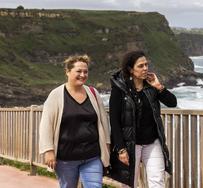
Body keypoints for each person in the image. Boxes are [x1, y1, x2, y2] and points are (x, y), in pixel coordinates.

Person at [39, 54, 110, 188]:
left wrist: (107, 146)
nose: (83, 75)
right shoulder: (56, 95)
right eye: (78, 71)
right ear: (68, 72)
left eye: (85, 71)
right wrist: (49, 151)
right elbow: (46, 125)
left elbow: (103, 122)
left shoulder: (93, 93)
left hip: (92, 155)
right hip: (66, 158)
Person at [109, 50, 177, 188]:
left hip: (152, 142)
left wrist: (158, 87)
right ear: (130, 69)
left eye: (146, 64)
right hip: (130, 144)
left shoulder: (150, 87)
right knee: (129, 183)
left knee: (157, 181)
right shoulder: (119, 88)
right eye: (140, 66)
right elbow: (114, 120)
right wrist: (121, 149)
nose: (145, 68)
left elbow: (172, 102)